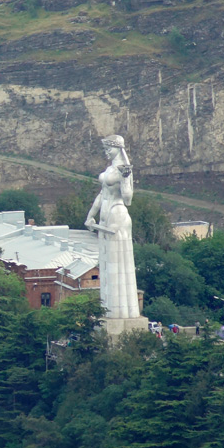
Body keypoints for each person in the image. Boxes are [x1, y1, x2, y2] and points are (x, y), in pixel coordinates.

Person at [84, 135, 141, 321]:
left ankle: (121, 314)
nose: (107, 151)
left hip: (117, 215)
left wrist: (125, 179)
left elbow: (128, 199)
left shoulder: (124, 170)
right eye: (105, 148)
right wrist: (90, 215)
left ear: (119, 148)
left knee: (119, 265)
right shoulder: (109, 168)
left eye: (110, 148)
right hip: (105, 216)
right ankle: (108, 312)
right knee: (107, 264)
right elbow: (102, 194)